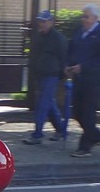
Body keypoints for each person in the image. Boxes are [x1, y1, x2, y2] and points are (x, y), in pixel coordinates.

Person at [65, 3, 100, 157]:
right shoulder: (80, 33)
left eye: (86, 17)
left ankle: (85, 147)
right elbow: (71, 50)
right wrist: (68, 66)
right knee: (77, 112)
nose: (83, 19)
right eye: (83, 16)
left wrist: (83, 67)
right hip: (79, 79)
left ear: (95, 18)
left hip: (94, 80)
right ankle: (96, 136)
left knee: (88, 112)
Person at [23, 10, 68, 145]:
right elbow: (34, 55)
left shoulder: (58, 38)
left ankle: (37, 135)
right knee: (49, 103)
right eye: (40, 21)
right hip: (41, 73)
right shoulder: (39, 37)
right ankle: (60, 130)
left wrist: (62, 73)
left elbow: (64, 57)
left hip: (51, 74)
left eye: (44, 21)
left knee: (42, 104)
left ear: (51, 22)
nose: (41, 24)